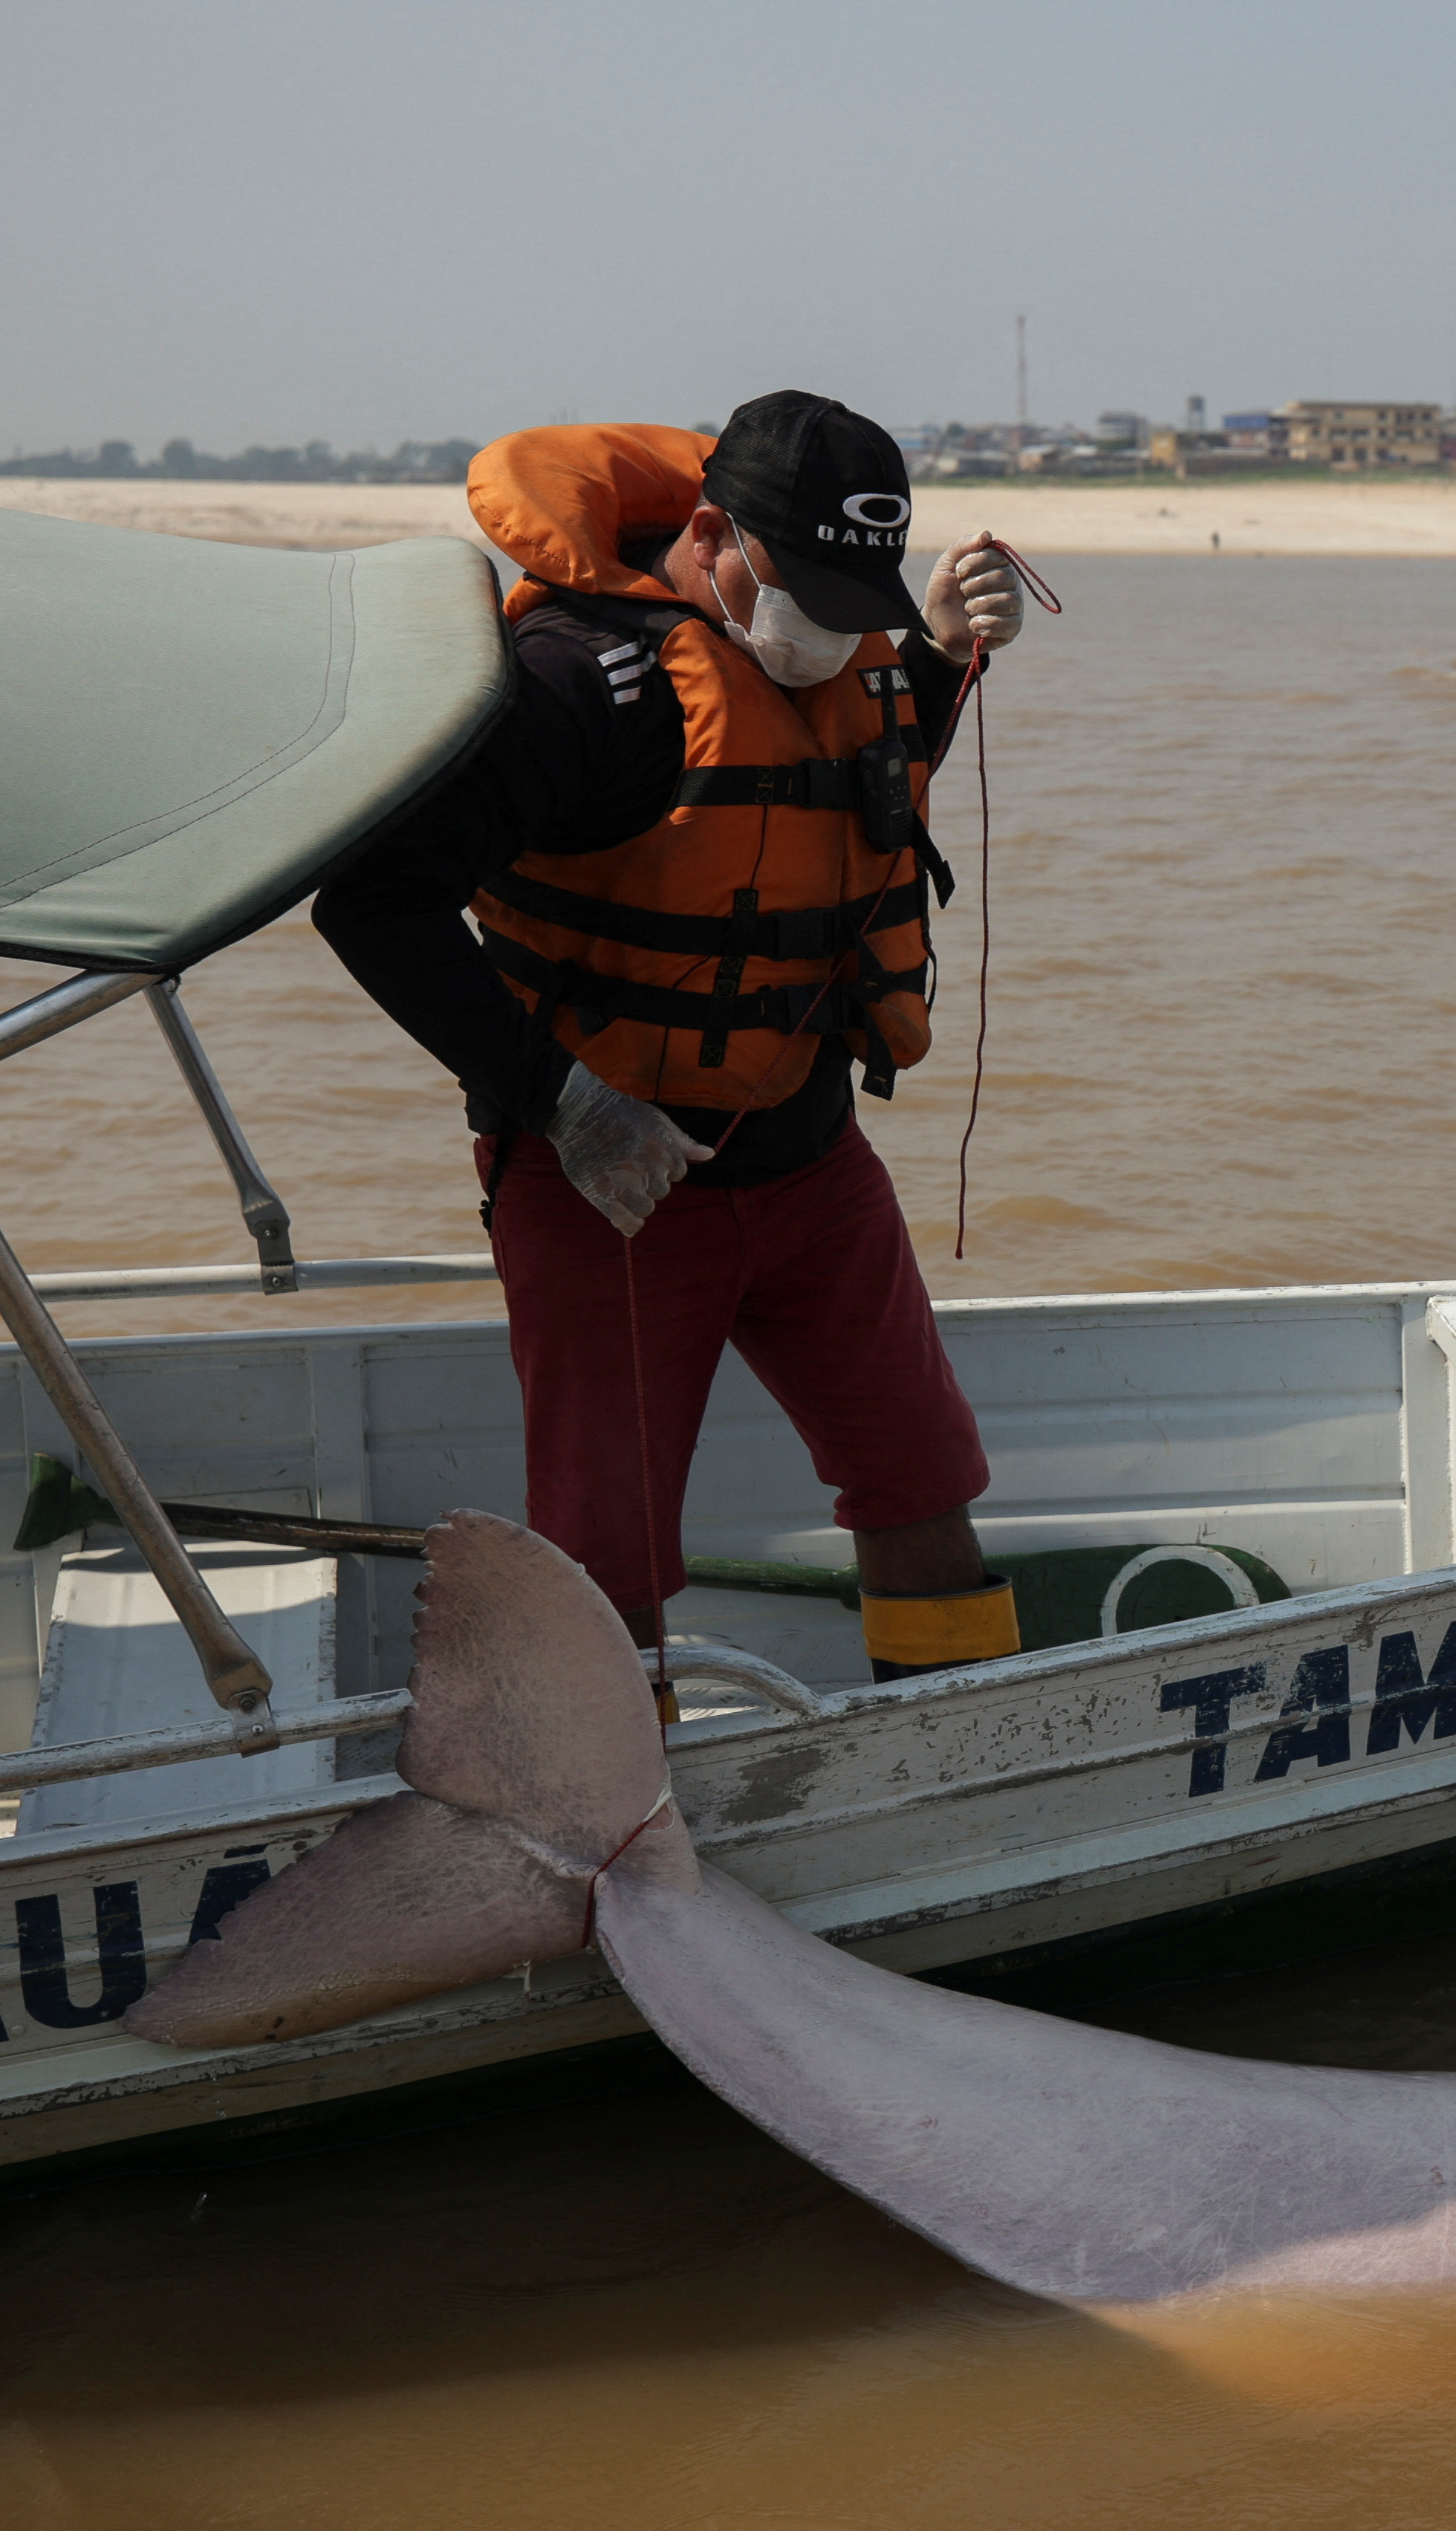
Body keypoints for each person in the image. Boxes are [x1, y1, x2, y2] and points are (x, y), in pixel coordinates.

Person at [316, 392, 1029, 1691]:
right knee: (606, 1560)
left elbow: (851, 797)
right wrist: (565, 1103)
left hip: (816, 1165)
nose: (824, 628)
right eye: (803, 589)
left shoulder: (855, 651)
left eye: (850, 598)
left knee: (923, 1473)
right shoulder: (575, 685)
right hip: (613, 1183)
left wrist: (935, 654)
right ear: (712, 535)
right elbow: (373, 901)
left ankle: (953, 1752)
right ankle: (625, 1841)